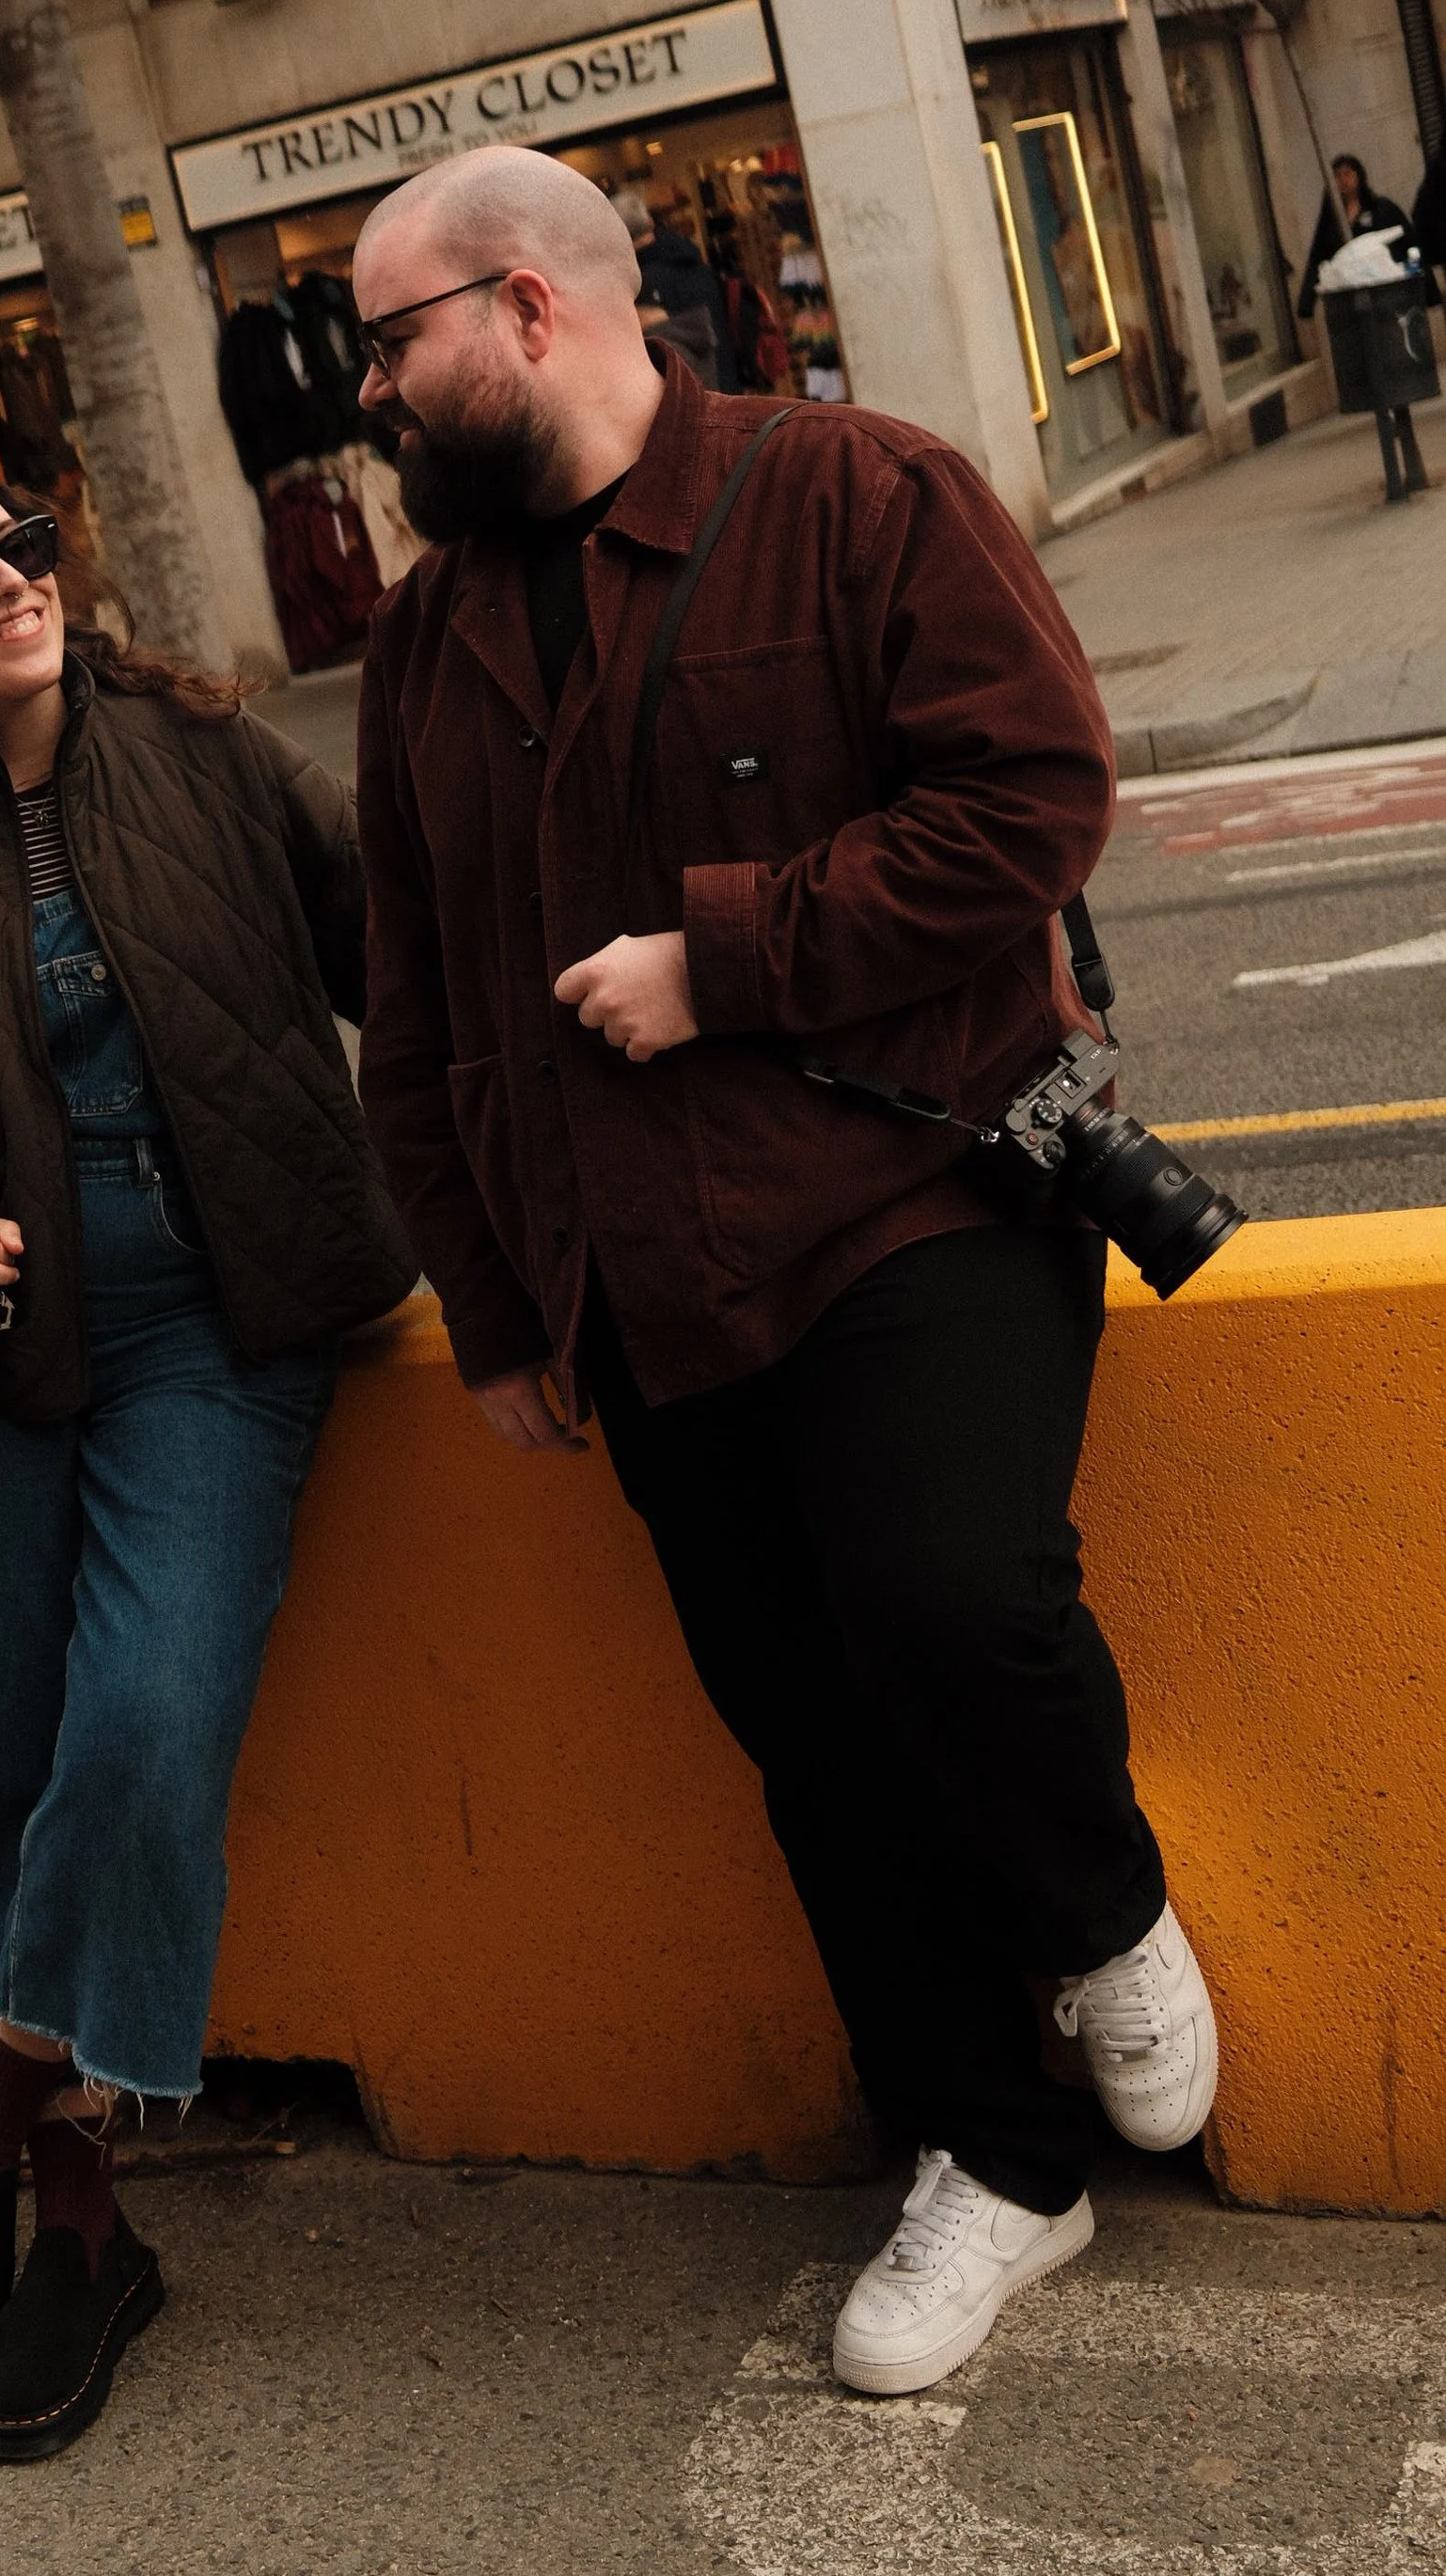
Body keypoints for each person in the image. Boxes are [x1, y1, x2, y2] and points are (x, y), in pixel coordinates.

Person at [346, 143, 1218, 2404]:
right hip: (639, 1298)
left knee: (954, 1602)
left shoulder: (857, 493)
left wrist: (719, 959)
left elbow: (1031, 797)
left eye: (392, 339)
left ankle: (1102, 1908)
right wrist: (500, 1301)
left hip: (909, 1196)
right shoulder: (426, 640)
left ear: (526, 308)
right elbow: (421, 1008)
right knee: (812, 1747)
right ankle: (997, 2158)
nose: (372, 393)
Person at [0, 461, 416, 2460]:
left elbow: (409, 962)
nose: (7, 586)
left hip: (223, 1324)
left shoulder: (208, 752)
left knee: (142, 1730)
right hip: (1, 1345)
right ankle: (80, 2216)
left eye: (22, 548)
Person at [611, 182, 733, 386]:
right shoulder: (693, 260)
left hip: (693, 398)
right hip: (725, 381)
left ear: (616, 235)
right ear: (650, 221)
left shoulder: (639, 285)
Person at [1297, 152, 1408, 317]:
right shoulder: (1330, 218)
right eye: (1337, 176)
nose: (1343, 180)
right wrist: (1306, 302)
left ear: (1359, 176)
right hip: (1346, 297)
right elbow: (1318, 255)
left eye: (1347, 174)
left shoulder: (1380, 209)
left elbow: (1406, 243)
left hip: (1381, 291)